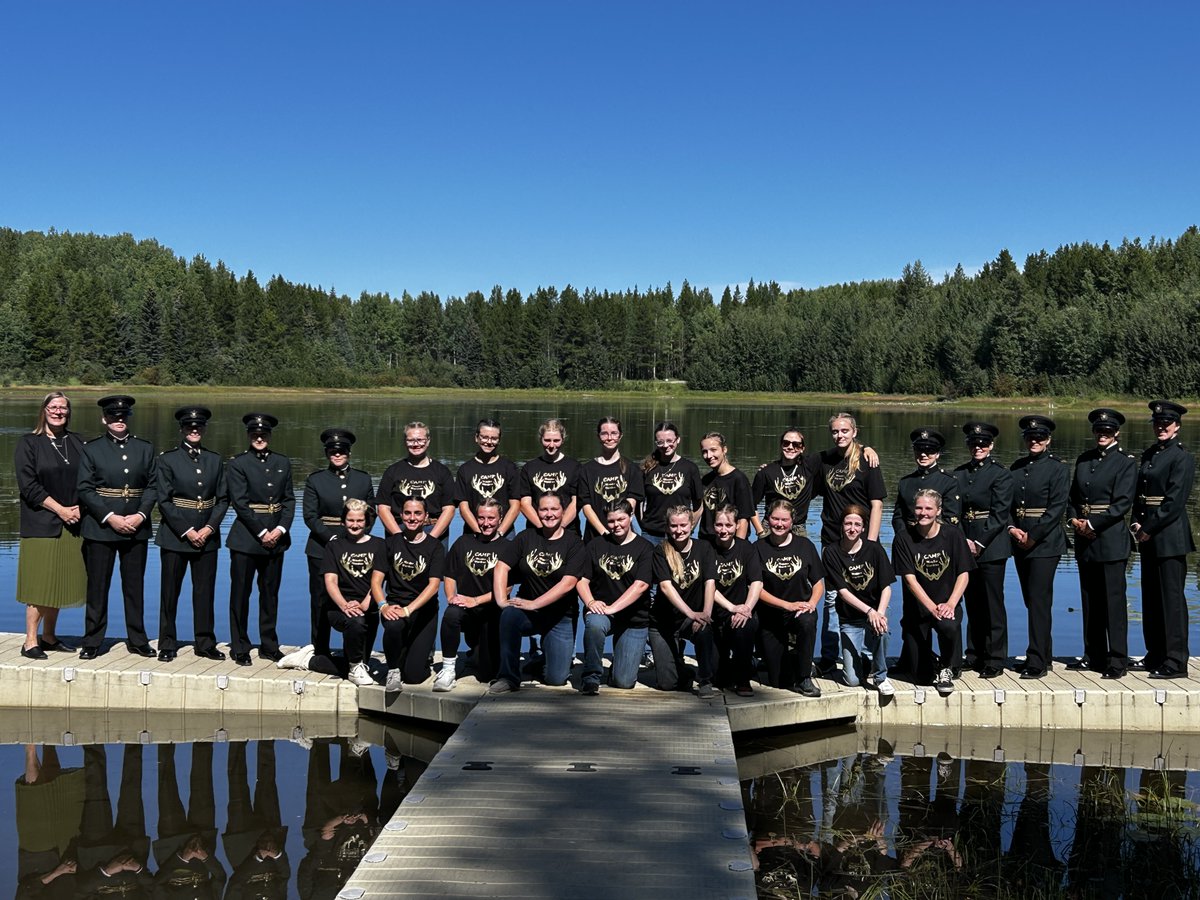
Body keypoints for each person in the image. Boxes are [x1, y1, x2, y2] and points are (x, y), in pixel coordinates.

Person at [76, 395, 157, 660]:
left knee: (134, 587)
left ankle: (138, 639)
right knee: (97, 587)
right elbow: (85, 489)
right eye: (113, 416)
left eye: (123, 417)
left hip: (136, 526)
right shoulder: (91, 449)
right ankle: (92, 641)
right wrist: (109, 516)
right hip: (101, 527)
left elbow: (153, 486)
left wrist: (142, 514)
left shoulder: (144, 448)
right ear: (104, 419)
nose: (118, 420)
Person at [14, 391, 86, 659]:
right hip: (41, 523)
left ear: (69, 412)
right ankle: (30, 641)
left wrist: (81, 506)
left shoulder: (78, 442)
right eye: (53, 407)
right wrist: (60, 510)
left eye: (63, 408)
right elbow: (29, 487)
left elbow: (90, 478)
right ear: (44, 410)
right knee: (39, 583)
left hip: (73, 523)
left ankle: (49, 637)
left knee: (59, 582)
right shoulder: (29, 443)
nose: (58, 412)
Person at [154, 406, 228, 662]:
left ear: (204, 429)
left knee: (205, 592)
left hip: (208, 535)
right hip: (176, 536)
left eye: (198, 427)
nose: (194, 430)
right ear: (182, 430)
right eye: (189, 427)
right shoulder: (167, 459)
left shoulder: (215, 459)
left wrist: (208, 528)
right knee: (169, 593)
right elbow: (164, 501)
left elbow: (223, 499)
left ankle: (205, 643)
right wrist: (187, 530)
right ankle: (167, 643)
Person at [491, 491, 586, 693]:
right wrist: (501, 600)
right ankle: (508, 677)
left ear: (563, 511)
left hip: (560, 617)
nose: (549, 514)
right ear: (537, 511)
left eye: (554, 509)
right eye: (544, 509)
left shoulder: (574, 543)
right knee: (508, 615)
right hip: (527, 612)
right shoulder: (526, 537)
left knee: (556, 679)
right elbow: (501, 566)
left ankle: (540, 661)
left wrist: (535, 603)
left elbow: (568, 583)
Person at [1067, 408, 1137, 678]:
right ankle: (1093, 655)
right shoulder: (1084, 460)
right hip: (1085, 540)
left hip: (1109, 540)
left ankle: (1117, 660)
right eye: (1098, 431)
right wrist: (1074, 521)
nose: (1102, 435)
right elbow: (1073, 497)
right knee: (1089, 600)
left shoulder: (1126, 462)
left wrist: (1092, 524)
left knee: (1113, 603)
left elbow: (1121, 503)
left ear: (1116, 433)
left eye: (1107, 431)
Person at [814, 413, 885, 677]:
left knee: (866, 594)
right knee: (831, 599)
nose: (839, 435)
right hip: (832, 541)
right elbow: (793, 463)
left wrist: (872, 543)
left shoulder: (868, 461)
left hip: (861, 541)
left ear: (854, 432)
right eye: (835, 431)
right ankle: (829, 656)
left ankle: (866, 656)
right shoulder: (825, 459)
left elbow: (877, 503)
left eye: (845, 431)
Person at [1132, 400, 1195, 679]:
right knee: (1151, 598)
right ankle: (1155, 653)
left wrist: (1148, 527)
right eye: (1157, 424)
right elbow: (1140, 494)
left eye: (1166, 424)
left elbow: (1173, 502)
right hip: (1147, 534)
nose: (1161, 427)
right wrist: (1136, 521)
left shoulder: (1181, 458)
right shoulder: (1149, 454)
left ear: (1177, 427)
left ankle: (1176, 660)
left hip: (1169, 536)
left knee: (1171, 600)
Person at [226, 413, 294, 666]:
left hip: (276, 538)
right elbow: (240, 503)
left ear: (269, 436)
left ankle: (269, 645)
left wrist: (281, 530)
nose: (259, 438)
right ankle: (240, 646)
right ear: (248, 436)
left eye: (263, 434)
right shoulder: (238, 464)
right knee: (240, 595)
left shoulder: (282, 462)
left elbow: (288, 500)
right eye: (255, 434)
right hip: (246, 539)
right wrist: (262, 532)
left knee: (270, 595)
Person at [893, 489, 975, 694]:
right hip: (918, 610)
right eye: (919, 508)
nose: (923, 512)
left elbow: (964, 573)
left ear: (938, 511)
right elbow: (909, 580)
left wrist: (950, 604)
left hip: (947, 605)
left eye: (928, 508)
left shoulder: (953, 535)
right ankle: (929, 660)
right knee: (922, 678)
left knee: (948, 626)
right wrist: (931, 607)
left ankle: (946, 667)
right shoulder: (903, 538)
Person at [302, 428, 375, 657]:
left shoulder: (363, 479)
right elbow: (310, 516)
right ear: (327, 453)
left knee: (355, 594)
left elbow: (370, 514)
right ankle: (320, 649)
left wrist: (355, 539)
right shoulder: (316, 480)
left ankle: (353, 649)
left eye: (341, 450)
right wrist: (333, 539)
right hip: (321, 547)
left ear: (349, 452)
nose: (337, 454)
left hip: (357, 546)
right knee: (321, 599)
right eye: (333, 451)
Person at [1007, 415, 1069, 679]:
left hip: (1045, 543)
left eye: (1040, 437)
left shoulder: (1058, 468)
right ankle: (1042, 653)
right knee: (1031, 600)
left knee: (1040, 601)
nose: (1035, 441)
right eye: (1031, 437)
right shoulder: (1017, 467)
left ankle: (1037, 662)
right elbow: (1006, 505)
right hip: (1020, 539)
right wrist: (1012, 528)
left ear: (1048, 440)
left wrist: (1032, 535)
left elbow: (1056, 509)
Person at [954, 422, 1013, 678]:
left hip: (991, 547)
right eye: (973, 443)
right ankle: (974, 654)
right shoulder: (958, 474)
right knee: (972, 602)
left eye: (983, 444)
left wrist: (978, 543)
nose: (978, 447)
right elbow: (953, 513)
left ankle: (995, 658)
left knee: (992, 604)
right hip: (964, 543)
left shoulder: (1000, 474)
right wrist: (962, 541)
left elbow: (1000, 514)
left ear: (991, 446)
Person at [579, 501, 654, 694]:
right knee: (594, 624)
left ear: (631, 517)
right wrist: (590, 602)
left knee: (624, 682)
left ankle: (617, 668)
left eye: (621, 519)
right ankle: (591, 677)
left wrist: (613, 608)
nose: (616, 525)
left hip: (633, 619)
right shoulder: (595, 545)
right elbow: (581, 580)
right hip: (602, 612)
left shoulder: (644, 547)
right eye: (611, 521)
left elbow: (641, 586)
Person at [372, 497, 445, 691]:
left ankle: (407, 656)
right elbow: (376, 582)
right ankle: (393, 669)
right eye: (408, 513)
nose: (412, 518)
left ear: (426, 517)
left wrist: (409, 610)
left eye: (417, 513)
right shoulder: (389, 544)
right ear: (401, 515)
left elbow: (434, 586)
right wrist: (383, 606)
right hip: (395, 606)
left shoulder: (435, 547)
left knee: (414, 677)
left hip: (424, 613)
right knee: (394, 627)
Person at [434, 498, 506, 691]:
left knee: (486, 675)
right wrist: (452, 598)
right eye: (481, 518)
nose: (486, 523)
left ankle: (478, 651)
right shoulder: (463, 542)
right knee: (451, 613)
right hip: (465, 608)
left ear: (500, 519)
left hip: (491, 610)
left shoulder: (507, 547)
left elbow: (506, 590)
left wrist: (476, 600)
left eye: (491, 518)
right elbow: (449, 574)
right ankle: (448, 669)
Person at [823, 504, 895, 695]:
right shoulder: (831, 552)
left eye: (857, 524)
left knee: (882, 627)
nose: (852, 528)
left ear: (864, 528)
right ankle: (863, 660)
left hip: (876, 609)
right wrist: (869, 611)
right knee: (852, 681)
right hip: (850, 618)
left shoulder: (875, 550)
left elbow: (886, 587)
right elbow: (843, 592)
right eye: (848, 523)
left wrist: (878, 612)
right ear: (841, 526)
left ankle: (881, 677)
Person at [756, 499, 825, 697]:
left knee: (808, 621)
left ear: (792, 521)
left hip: (799, 612)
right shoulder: (758, 548)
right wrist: (787, 605)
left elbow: (819, 582)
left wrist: (811, 604)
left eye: (784, 520)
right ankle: (782, 659)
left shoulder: (805, 546)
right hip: (771, 614)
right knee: (779, 682)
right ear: (768, 520)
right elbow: (757, 588)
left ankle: (805, 677)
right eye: (775, 519)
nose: (779, 524)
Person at [648, 505, 719, 697]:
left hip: (691, 619)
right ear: (667, 527)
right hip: (663, 623)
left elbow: (710, 583)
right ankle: (683, 669)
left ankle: (705, 680)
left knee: (704, 629)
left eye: (683, 525)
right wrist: (691, 613)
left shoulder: (704, 548)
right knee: (667, 684)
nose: (678, 531)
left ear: (691, 524)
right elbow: (665, 587)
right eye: (674, 526)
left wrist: (705, 614)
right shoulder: (660, 550)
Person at [318, 499, 385, 686]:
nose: (355, 525)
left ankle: (309, 660)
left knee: (363, 660)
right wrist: (344, 605)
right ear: (343, 521)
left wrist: (365, 603)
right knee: (356, 624)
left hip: (368, 607)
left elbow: (378, 581)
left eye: (359, 521)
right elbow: (330, 581)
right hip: (339, 608)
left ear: (367, 522)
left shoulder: (379, 545)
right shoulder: (334, 546)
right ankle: (355, 667)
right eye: (350, 520)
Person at [706, 503, 762, 696]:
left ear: (737, 525)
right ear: (713, 526)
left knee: (745, 626)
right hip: (716, 614)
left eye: (728, 525)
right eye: (719, 525)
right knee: (718, 679)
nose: (724, 530)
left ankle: (744, 678)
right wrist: (732, 607)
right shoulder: (706, 548)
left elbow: (756, 582)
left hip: (741, 615)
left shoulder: (746, 548)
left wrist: (746, 608)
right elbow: (708, 585)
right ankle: (729, 664)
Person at [376, 421, 455, 543]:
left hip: (434, 530)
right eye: (411, 440)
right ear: (405, 442)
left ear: (428, 441)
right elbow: (383, 508)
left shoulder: (442, 472)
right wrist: (398, 537)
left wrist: (431, 539)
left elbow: (449, 509)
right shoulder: (393, 471)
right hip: (400, 529)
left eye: (420, 440)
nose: (416, 444)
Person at [578, 417, 644, 540]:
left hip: (623, 534)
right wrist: (604, 532)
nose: (609, 438)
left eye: (614, 433)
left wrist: (617, 529)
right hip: (595, 536)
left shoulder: (632, 469)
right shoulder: (586, 470)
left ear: (620, 436)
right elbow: (586, 506)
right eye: (604, 434)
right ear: (598, 436)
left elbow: (631, 504)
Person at [638, 420, 703, 545]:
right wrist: (643, 525)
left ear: (677, 440)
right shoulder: (646, 468)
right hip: (651, 534)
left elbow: (698, 505)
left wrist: (690, 527)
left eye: (669, 441)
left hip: (679, 534)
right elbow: (638, 502)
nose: (665, 445)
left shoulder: (690, 468)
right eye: (660, 442)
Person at [456, 419, 521, 538]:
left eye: (494, 438)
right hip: (473, 532)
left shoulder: (510, 468)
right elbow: (463, 508)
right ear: (476, 438)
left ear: (499, 440)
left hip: (505, 533)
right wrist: (478, 532)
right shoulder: (465, 470)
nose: (489, 442)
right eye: (484, 437)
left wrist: (500, 533)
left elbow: (515, 505)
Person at [752, 427, 820, 538]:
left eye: (796, 444)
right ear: (781, 445)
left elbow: (836, 452)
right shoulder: (766, 472)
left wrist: (857, 448)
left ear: (802, 448)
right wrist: (760, 531)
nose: (790, 447)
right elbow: (750, 504)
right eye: (786, 443)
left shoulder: (810, 466)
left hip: (798, 528)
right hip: (771, 527)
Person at [893, 428, 961, 532]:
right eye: (919, 450)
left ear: (937, 454)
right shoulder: (905, 482)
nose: (923, 455)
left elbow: (951, 519)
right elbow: (898, 517)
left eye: (929, 451)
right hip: (908, 539)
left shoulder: (949, 482)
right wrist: (903, 538)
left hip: (938, 541)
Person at [519, 418, 581, 531]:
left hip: (568, 531)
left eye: (556, 440)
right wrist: (543, 528)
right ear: (540, 439)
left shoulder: (574, 467)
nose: (551, 445)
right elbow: (524, 504)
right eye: (547, 440)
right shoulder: (529, 468)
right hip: (536, 531)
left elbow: (576, 503)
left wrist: (560, 528)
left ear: (563, 440)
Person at [699, 432, 754, 540]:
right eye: (704, 452)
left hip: (729, 542)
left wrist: (737, 548)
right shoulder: (706, 480)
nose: (709, 456)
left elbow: (743, 519)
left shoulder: (739, 479)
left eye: (713, 450)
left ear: (724, 450)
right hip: (707, 541)